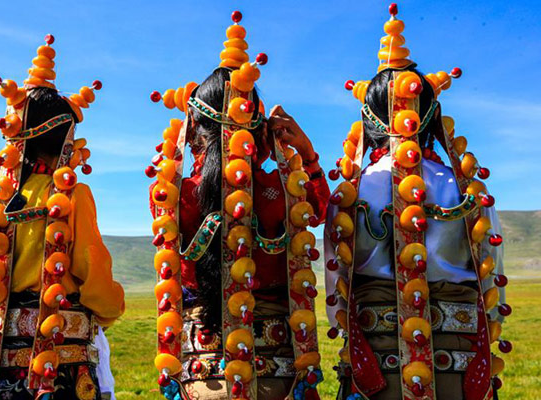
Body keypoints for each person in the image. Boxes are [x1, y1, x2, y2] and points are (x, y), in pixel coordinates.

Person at [324, 4, 509, 400]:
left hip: (375, 360)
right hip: (456, 364)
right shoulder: (465, 187)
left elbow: (335, 289)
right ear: (432, 114)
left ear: (370, 118)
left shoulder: (351, 190)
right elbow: (491, 279)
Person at [147, 11, 330, 400]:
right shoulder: (281, 186)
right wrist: (307, 155)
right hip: (277, 370)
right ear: (258, 122)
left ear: (195, 125)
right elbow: (322, 210)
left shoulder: (173, 190)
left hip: (201, 370)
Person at [0, 35, 124, 400]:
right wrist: (110, 309)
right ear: (64, 140)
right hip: (55, 368)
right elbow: (95, 279)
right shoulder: (71, 195)